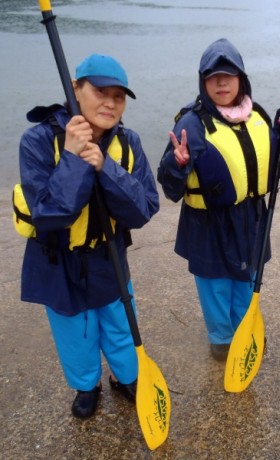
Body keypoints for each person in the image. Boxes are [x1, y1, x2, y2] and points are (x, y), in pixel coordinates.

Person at [16, 54, 159, 418]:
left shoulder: (128, 142)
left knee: (120, 323)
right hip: (58, 260)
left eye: (118, 96)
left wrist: (105, 166)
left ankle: (125, 378)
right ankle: (86, 385)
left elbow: (143, 209)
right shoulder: (36, 141)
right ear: (75, 89)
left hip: (108, 255)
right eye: (99, 91)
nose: (110, 103)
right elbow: (49, 215)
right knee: (75, 333)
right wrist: (74, 157)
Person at [157, 38, 280, 361]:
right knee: (215, 286)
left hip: (250, 217)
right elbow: (169, 188)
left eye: (229, 74)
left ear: (241, 79)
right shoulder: (190, 125)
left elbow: (269, 157)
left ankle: (245, 327)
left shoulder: (259, 117)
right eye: (213, 76)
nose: (221, 82)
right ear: (202, 81)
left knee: (248, 277)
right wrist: (176, 165)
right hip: (209, 224)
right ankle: (221, 338)